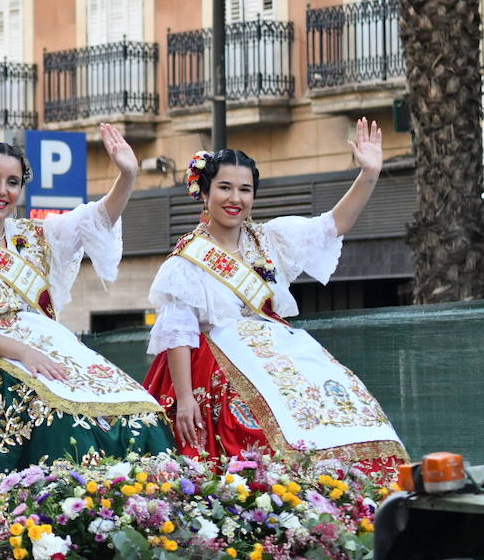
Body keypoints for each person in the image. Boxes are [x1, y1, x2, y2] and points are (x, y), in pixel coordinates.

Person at [0, 127, 173, 535]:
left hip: (48, 345)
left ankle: (137, 525)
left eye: (13, 182)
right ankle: (56, 531)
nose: (2, 190)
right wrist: (23, 353)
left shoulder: (37, 236)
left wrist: (127, 175)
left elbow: (97, 218)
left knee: (139, 413)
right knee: (58, 418)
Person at [142, 121, 406, 476]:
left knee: (337, 401)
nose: (235, 199)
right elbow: (178, 332)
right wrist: (186, 399)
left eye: (245, 190)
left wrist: (369, 174)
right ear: (203, 193)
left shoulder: (270, 239)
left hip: (277, 350)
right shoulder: (187, 260)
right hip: (216, 362)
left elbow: (333, 225)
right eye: (224, 187)